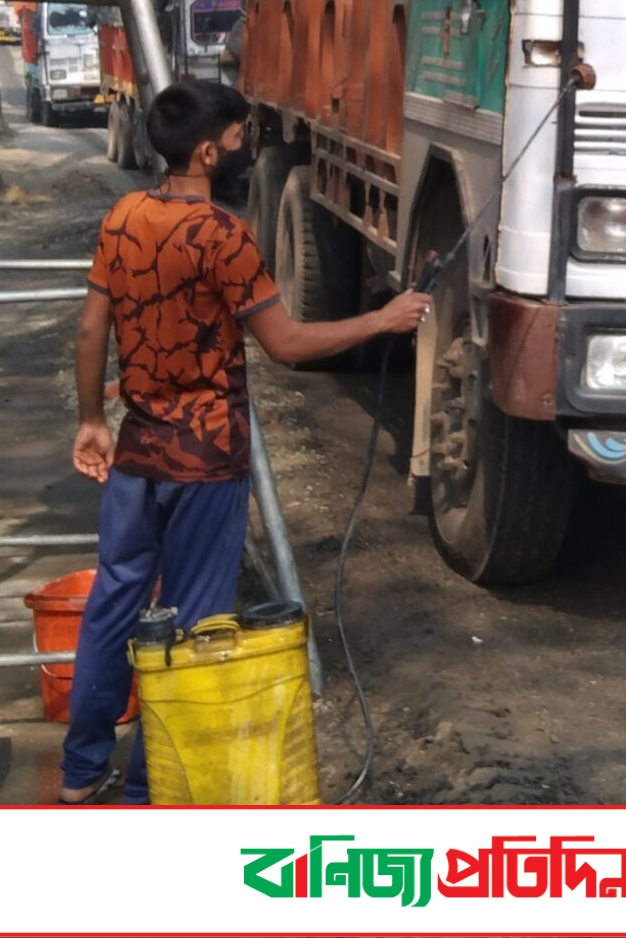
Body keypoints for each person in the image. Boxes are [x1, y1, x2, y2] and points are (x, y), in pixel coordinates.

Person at [58, 79, 431, 804]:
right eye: (237, 139)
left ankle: (80, 775)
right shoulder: (223, 236)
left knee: (114, 604)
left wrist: (91, 420)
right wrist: (381, 322)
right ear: (206, 150)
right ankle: (146, 791)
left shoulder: (124, 215)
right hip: (204, 461)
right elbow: (287, 344)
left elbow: (89, 329)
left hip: (137, 455)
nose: (246, 149)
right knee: (193, 627)